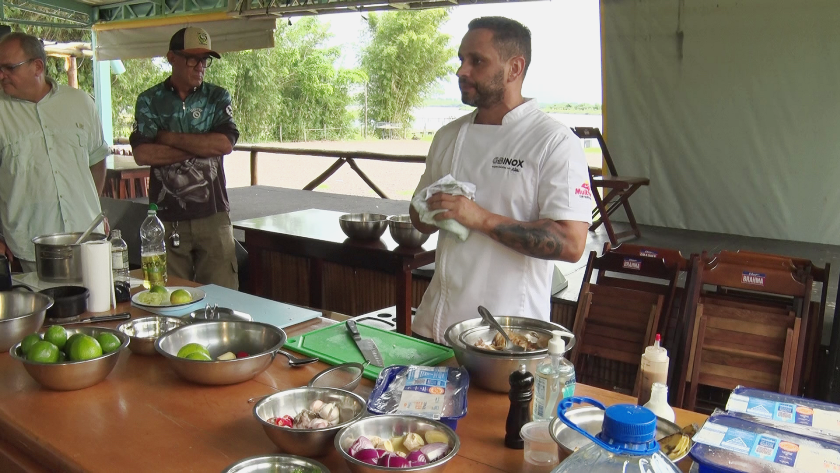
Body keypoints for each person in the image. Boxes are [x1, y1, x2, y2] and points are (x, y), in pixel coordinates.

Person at [409, 17, 592, 344]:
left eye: (476, 61)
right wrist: (429, 210)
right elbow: (419, 220)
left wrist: (478, 218)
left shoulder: (553, 142)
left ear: (514, 68)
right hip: (433, 329)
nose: (461, 71)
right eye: (461, 60)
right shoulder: (448, 136)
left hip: (505, 338)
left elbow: (572, 243)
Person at [130, 27, 239, 289]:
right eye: (193, 59)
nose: (200, 66)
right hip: (164, 219)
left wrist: (166, 137)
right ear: (172, 58)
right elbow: (143, 153)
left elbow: (224, 143)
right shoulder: (149, 101)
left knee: (223, 298)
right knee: (167, 295)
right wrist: (201, 145)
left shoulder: (216, 96)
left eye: (205, 60)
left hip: (213, 215)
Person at [0, 32, 108, 272]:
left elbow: (97, 159)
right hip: (29, 248)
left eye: (9, 68)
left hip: (88, 241)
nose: (1, 75)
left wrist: (91, 211)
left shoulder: (81, 103)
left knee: (99, 309)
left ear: (37, 67)